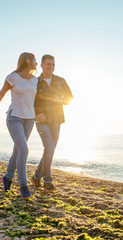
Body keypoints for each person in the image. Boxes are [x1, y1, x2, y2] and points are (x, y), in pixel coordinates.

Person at [0, 52, 38, 199]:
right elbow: (1, 93)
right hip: (14, 118)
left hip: (30, 119)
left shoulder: (36, 80)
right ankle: (23, 185)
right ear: (28, 61)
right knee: (23, 149)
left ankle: (8, 178)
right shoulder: (13, 77)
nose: (36, 62)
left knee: (18, 150)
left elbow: (41, 99)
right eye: (34, 60)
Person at [31, 54, 73, 192]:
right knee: (49, 147)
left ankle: (37, 177)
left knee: (50, 149)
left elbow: (69, 98)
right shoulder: (35, 82)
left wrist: (59, 100)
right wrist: (38, 112)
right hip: (41, 120)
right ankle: (47, 181)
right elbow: (31, 100)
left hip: (56, 119)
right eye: (48, 64)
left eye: (53, 64)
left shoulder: (61, 81)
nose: (51, 67)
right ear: (42, 65)